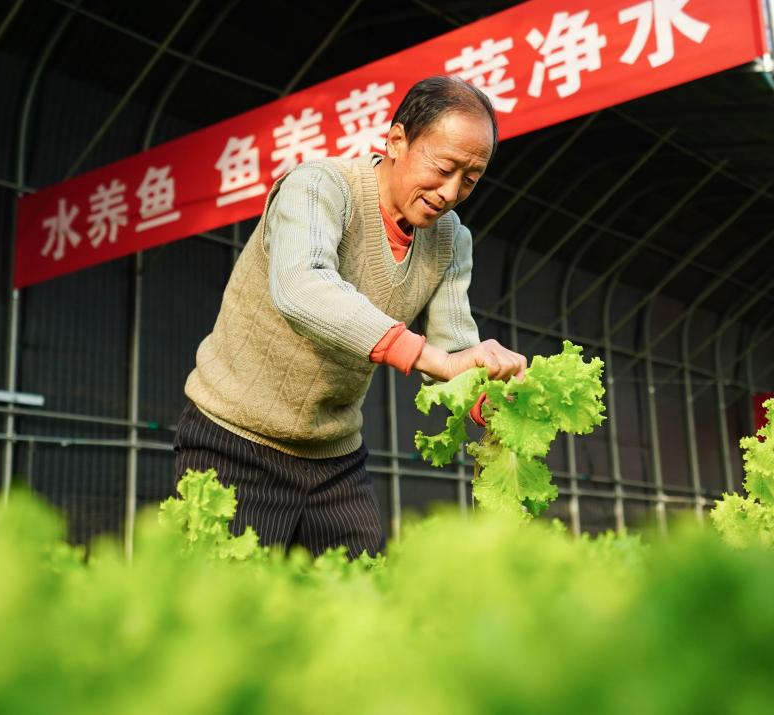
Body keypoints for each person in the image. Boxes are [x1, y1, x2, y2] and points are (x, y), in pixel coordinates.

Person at [175, 75, 527, 557]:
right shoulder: (319, 187)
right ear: (397, 140)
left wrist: (489, 398)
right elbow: (301, 287)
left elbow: (454, 351)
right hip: (233, 439)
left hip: (333, 458)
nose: (450, 191)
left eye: (470, 179)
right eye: (444, 168)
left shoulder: (450, 239)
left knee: (357, 604)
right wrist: (426, 356)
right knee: (227, 619)